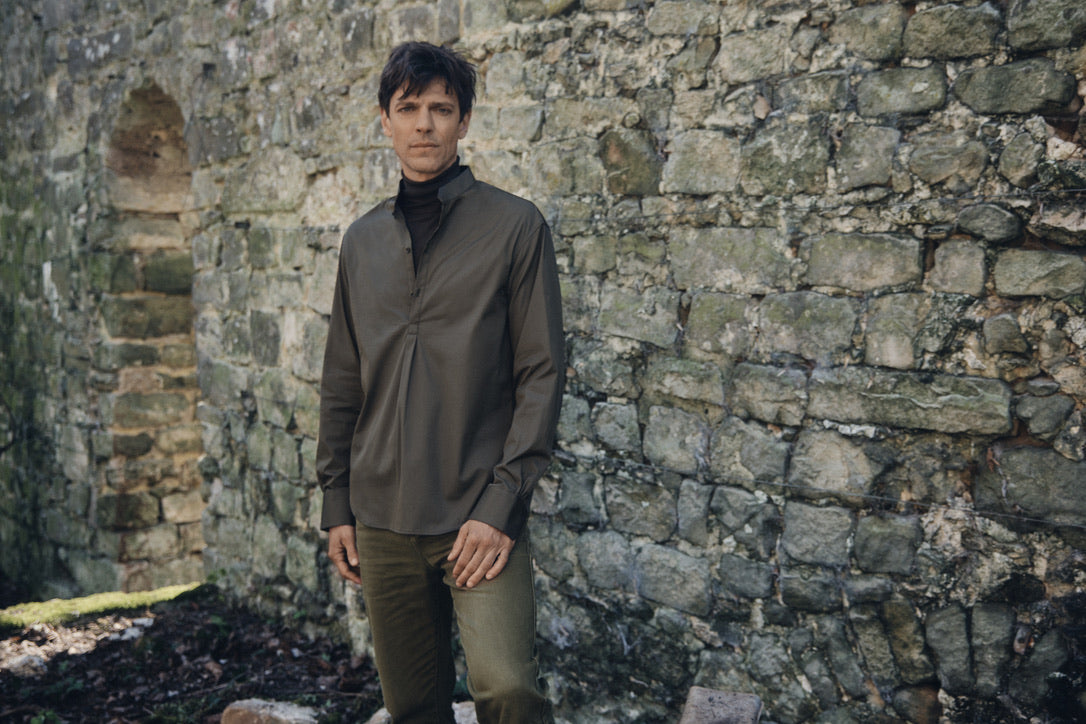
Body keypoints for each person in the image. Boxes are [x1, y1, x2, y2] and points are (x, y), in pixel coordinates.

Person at [316, 41, 564, 724]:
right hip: (382, 522)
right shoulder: (362, 242)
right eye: (410, 108)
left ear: (464, 122)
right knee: (413, 708)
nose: (425, 124)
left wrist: (502, 501)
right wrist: (336, 499)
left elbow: (541, 375)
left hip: (478, 514)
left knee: (507, 689)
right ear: (385, 121)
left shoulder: (516, 228)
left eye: (441, 109)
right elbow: (342, 377)